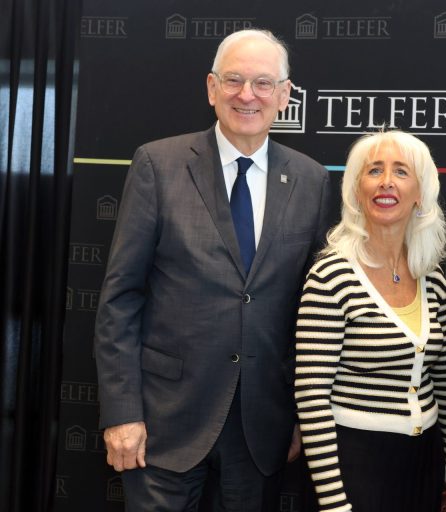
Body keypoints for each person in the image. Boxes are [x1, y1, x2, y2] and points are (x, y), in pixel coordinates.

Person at [94, 29, 333, 510]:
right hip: (163, 422)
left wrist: (302, 416)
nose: (247, 95)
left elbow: (312, 315)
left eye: (263, 83)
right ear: (211, 88)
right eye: (234, 80)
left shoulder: (311, 180)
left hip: (261, 429)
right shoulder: (158, 165)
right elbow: (121, 299)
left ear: (284, 95)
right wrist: (121, 412)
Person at [294, 130, 446, 512]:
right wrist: (333, 502)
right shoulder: (331, 276)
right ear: (357, 189)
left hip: (422, 464)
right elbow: (312, 397)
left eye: (401, 171)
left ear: (420, 192)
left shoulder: (431, 277)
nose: (386, 182)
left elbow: (445, 379)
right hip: (353, 467)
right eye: (374, 170)